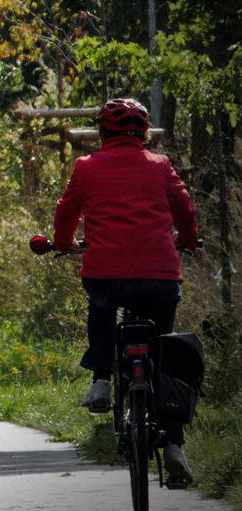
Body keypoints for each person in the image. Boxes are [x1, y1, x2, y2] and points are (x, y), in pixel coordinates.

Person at [53, 96, 199, 486]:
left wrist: (62, 242)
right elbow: (183, 208)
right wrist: (189, 239)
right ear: (144, 134)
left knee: (100, 306)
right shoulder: (160, 165)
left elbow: (66, 210)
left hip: (106, 274)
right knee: (165, 351)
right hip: (160, 277)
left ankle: (102, 378)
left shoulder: (86, 167)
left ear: (102, 131)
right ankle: (174, 447)